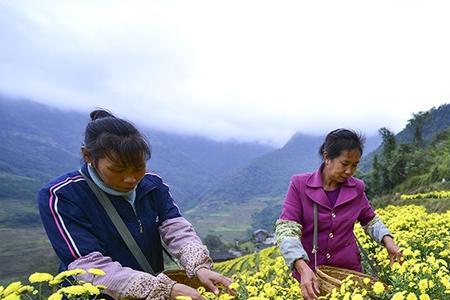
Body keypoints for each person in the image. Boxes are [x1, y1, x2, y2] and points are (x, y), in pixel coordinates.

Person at [38, 109, 232, 300]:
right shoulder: (62, 195)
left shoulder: (152, 185)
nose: (131, 179)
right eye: (118, 170)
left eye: (139, 168)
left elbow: (176, 229)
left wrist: (200, 266)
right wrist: (162, 289)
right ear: (88, 156)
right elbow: (88, 266)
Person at [275, 128, 402, 300]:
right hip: (311, 277)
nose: (350, 171)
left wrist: (388, 241)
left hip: (348, 275)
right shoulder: (299, 185)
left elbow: (370, 220)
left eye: (355, 165)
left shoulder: (356, 188)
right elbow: (286, 229)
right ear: (327, 157)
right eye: (344, 164)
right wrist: (302, 267)